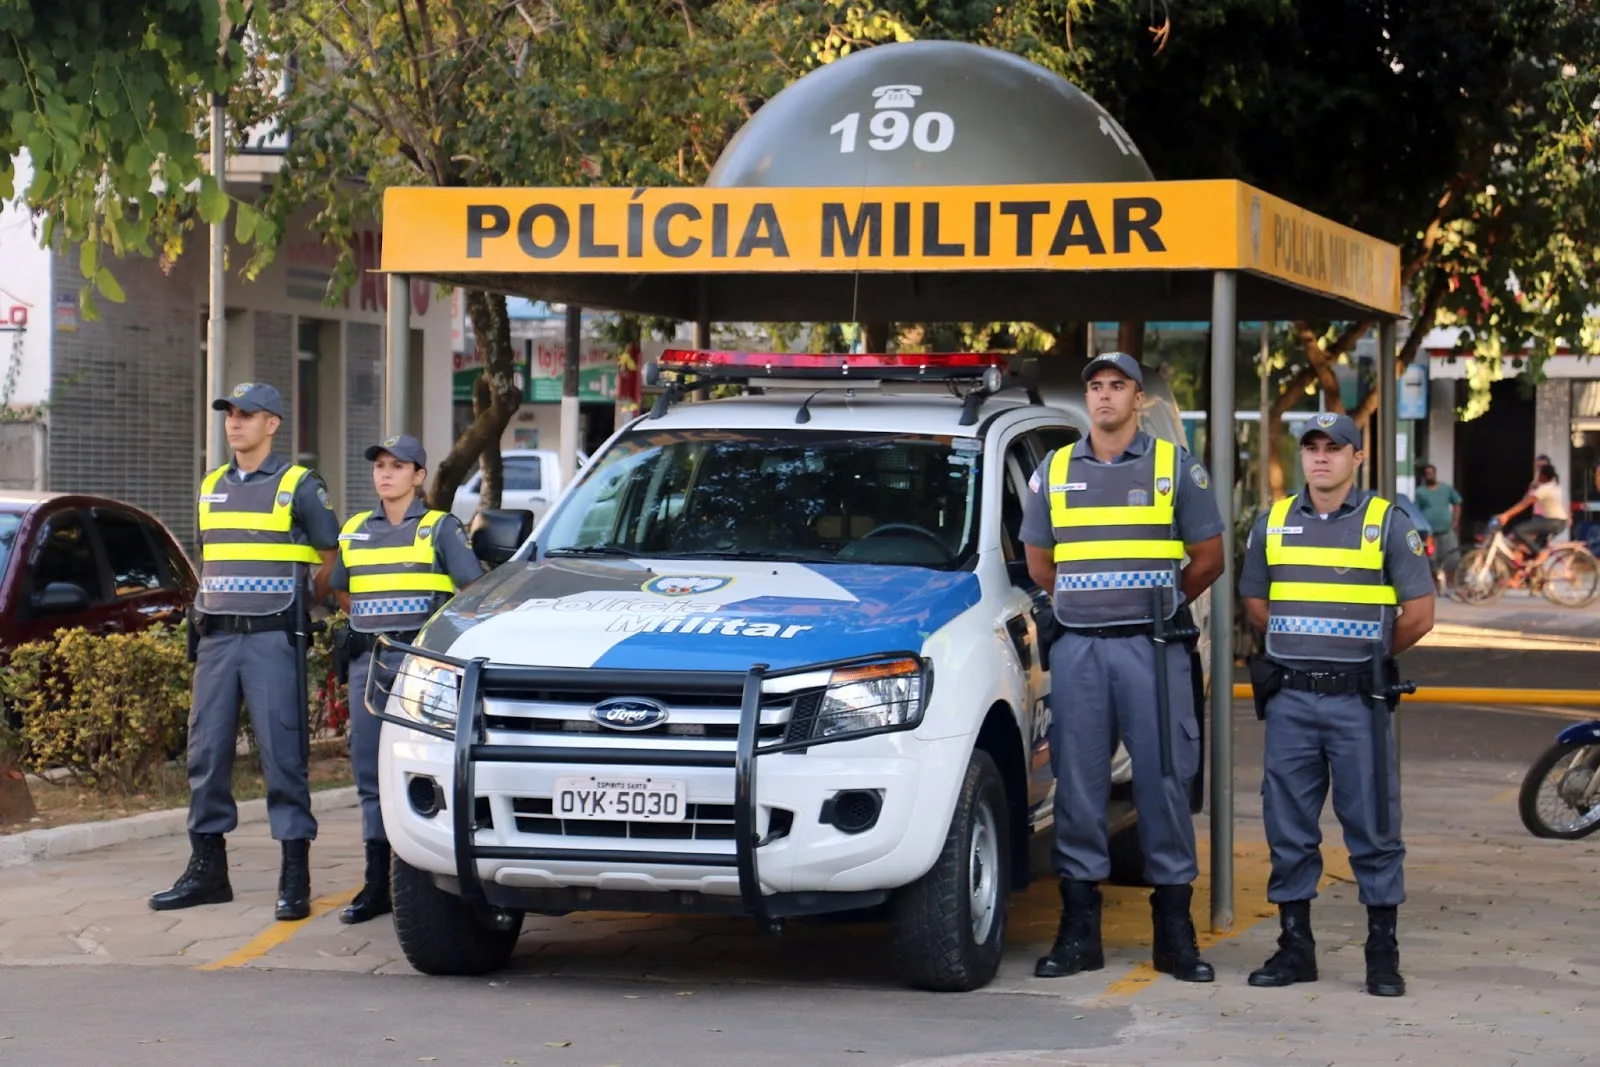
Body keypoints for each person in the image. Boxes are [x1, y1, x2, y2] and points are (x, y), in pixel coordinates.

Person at [1020, 351, 1226, 984]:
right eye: (1096, 386)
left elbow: (1210, 557)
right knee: (1079, 788)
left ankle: (1175, 936)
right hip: (1080, 647)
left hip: (1153, 648)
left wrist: (1161, 607)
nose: (1105, 396)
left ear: (1139, 399)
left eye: (1118, 386)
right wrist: (1087, 607)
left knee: (1163, 781)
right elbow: (1039, 564)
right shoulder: (1054, 470)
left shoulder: (1173, 467)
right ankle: (1079, 933)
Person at [1239, 412, 1436, 997]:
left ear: (1357, 457)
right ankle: (1295, 947)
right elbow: (1255, 600)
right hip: (1292, 699)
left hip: (1358, 700)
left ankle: (1382, 953)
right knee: (1288, 826)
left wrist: (1368, 657)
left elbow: (1420, 615)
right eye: (1312, 447)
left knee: (1374, 824)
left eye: (1334, 448)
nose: (1321, 457)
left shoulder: (1387, 523)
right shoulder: (1271, 521)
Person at [150, 382, 340, 920]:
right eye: (230, 414)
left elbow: (329, 556)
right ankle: (208, 869)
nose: (235, 423)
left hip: (271, 639)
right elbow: (213, 560)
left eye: (247, 415)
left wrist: (308, 606)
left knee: (283, 754)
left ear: (272, 423)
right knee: (206, 754)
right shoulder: (210, 485)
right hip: (216, 640)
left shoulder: (299, 485)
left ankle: (294, 874)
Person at [331, 434, 483, 924]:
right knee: (370, 772)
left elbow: (473, 593)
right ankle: (378, 883)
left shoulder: (439, 528)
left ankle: (426, 877)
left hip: (423, 669)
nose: (386, 473)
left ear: (419, 477)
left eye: (398, 466)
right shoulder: (354, 530)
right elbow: (342, 592)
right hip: (371, 666)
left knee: (426, 769)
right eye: (380, 465)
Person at [1499, 459, 1568, 553]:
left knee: (1519, 530)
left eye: (1539, 473)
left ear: (1543, 476)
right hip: (1554, 521)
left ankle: (1540, 554)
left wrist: (1506, 515)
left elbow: (1524, 504)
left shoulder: (1544, 489)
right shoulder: (1554, 485)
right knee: (1528, 547)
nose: (1537, 475)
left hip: (1552, 522)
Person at [1413, 464, 1462, 579]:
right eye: (1427, 474)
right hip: (1430, 532)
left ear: (1435, 474)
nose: (1430, 476)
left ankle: (1451, 580)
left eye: (1431, 473)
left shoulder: (1446, 488)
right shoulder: (1420, 491)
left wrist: (1455, 521)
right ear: (1425, 476)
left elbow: (1457, 503)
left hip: (1446, 529)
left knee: (1452, 556)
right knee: (1431, 559)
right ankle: (1435, 582)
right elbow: (1416, 511)